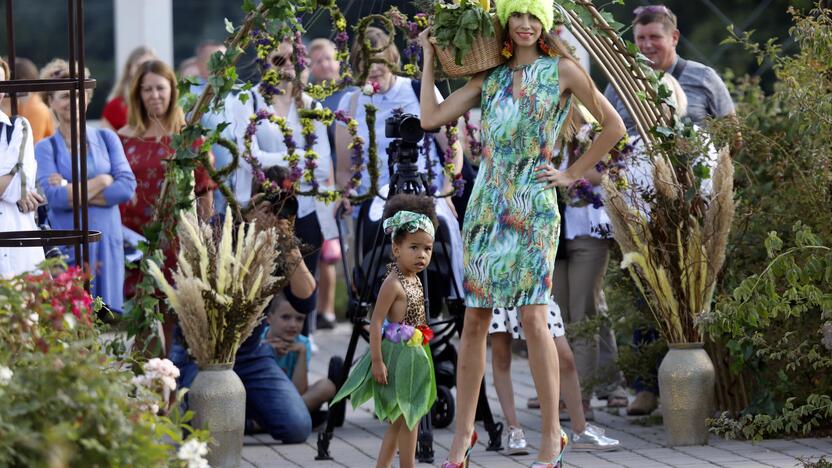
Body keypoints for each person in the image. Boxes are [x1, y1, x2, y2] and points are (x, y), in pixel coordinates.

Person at [416, 0, 626, 464]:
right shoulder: (487, 78)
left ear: (545, 23)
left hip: (533, 205)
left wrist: (572, 173)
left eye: (534, 16)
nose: (526, 25)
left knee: (534, 319)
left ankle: (553, 435)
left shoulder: (564, 71)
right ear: (505, 22)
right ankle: (462, 435)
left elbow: (614, 126)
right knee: (475, 319)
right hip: (487, 204)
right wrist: (429, 59)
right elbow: (431, 118)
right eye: (518, 15)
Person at [602, 5, 736, 416]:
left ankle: (707, 386)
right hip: (643, 214)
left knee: (701, 294)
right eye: (640, 39)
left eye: (654, 38)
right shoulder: (621, 85)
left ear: (673, 38)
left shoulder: (702, 78)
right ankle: (647, 387)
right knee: (650, 294)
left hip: (698, 213)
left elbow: (733, 134)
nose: (645, 46)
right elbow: (606, 143)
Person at [226, 38, 335, 343]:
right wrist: (299, 160)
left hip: (306, 211)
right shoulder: (247, 101)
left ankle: (303, 362)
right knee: (257, 293)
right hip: (260, 210)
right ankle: (257, 356)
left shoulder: (313, 106)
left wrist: (275, 162)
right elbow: (248, 157)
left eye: (294, 61)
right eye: (279, 61)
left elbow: (324, 165)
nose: (288, 67)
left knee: (303, 296)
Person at [171, 239, 318, 443]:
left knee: (297, 427)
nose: (270, 213)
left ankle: (242, 417)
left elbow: (307, 301)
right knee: (204, 431)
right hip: (204, 354)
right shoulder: (219, 225)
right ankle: (235, 413)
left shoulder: (274, 240)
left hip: (250, 354)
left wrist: (288, 241)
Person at [332, 194, 438, 468]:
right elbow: (376, 321)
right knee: (402, 415)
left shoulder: (414, 279)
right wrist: (377, 361)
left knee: (409, 415)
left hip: (416, 352)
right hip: (398, 354)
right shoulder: (392, 283)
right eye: (414, 247)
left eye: (427, 248)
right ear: (396, 249)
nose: (422, 255)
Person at [119, 59, 216, 352]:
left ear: (172, 91)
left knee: (174, 319)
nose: (154, 95)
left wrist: (201, 235)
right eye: (147, 89)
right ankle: (145, 387)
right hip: (136, 241)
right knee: (142, 318)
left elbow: (204, 190)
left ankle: (170, 387)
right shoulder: (124, 138)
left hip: (176, 238)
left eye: (160, 88)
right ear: (138, 94)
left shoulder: (188, 138)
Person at [35, 59, 136, 313]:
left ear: (88, 96)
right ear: (50, 102)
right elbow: (54, 197)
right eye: (62, 96)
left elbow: (126, 187)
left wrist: (72, 188)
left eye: (78, 93)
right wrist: (102, 181)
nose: (71, 100)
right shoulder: (45, 148)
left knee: (110, 319)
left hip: (107, 243)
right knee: (73, 319)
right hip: (69, 245)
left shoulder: (107, 138)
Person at [489, 301, 620, 454]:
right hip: (497, 283)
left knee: (565, 357)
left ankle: (580, 429)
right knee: (501, 356)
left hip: (533, 281)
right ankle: (514, 430)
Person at [307, 38, 347, 331]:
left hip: (339, 180)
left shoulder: (349, 95)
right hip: (312, 178)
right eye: (318, 60)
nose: (324, 64)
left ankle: (328, 309)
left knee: (331, 249)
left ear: (339, 61)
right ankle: (308, 307)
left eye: (329, 59)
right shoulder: (305, 97)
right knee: (311, 246)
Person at [0, 57, 44, 277]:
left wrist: (15, 186)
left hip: (18, 253)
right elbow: (12, 186)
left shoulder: (17, 127)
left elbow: (19, 186)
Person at [265, 293, 338, 423]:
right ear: (269, 318)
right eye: (285, 317)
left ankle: (272, 421)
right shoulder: (259, 341)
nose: (293, 324)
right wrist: (265, 350)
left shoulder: (302, 344)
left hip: (291, 399)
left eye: (299, 319)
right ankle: (294, 416)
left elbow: (299, 391)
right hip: (264, 399)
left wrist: (302, 353)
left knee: (327, 387)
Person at [0, 58, 55, 143]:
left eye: (5, 84)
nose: (4, 92)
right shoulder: (27, 104)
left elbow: (30, 144)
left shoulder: (35, 108)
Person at [102, 46, 157, 131]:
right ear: (129, 69)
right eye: (139, 66)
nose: (143, 70)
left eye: (148, 65)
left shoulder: (164, 103)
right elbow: (105, 141)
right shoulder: (115, 106)